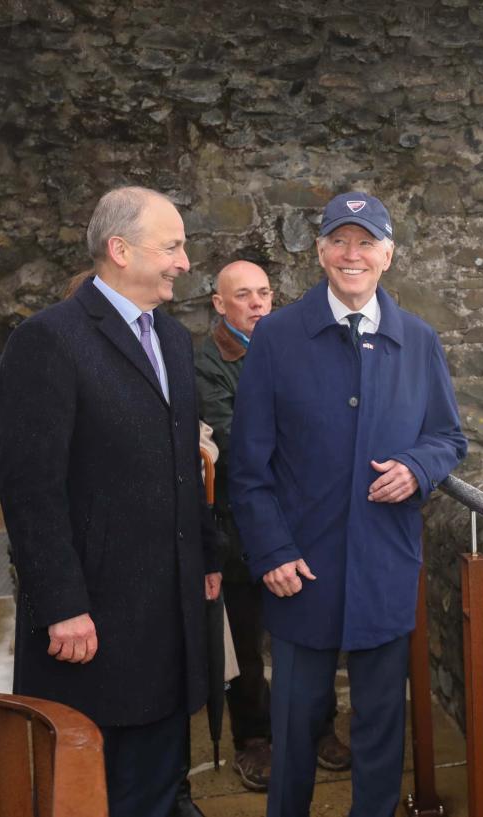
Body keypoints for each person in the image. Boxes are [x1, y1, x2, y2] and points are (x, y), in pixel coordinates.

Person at [231, 192, 467, 817]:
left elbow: (449, 437)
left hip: (384, 565)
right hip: (298, 571)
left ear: (388, 255)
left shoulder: (418, 341)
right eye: (340, 241)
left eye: (366, 243)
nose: (352, 254)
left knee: (381, 728)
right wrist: (272, 552)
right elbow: (247, 466)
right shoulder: (277, 338)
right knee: (295, 728)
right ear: (320, 252)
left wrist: (418, 468)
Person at [0, 186, 222, 817]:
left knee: (156, 767)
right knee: (98, 783)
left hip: (168, 608)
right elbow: (30, 490)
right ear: (120, 250)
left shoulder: (175, 341)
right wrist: (63, 604)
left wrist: (206, 556)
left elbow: (184, 466)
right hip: (97, 620)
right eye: (172, 246)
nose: (183, 261)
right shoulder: (49, 341)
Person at [194, 260, 350, 794]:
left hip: (302, 521)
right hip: (237, 527)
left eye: (264, 293)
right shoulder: (206, 363)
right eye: (244, 295)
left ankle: (319, 728)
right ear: (220, 303)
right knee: (245, 638)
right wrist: (302, 446)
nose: (258, 303)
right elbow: (235, 444)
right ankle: (254, 741)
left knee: (312, 629)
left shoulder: (292, 346)